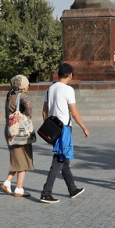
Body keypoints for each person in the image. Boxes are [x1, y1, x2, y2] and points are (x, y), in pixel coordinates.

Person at [40, 63, 89, 203]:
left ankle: (72, 189)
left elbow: (44, 111)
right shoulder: (68, 90)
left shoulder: (49, 89)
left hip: (53, 129)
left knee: (64, 159)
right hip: (65, 129)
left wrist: (48, 126)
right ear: (70, 75)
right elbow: (74, 112)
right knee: (58, 160)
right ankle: (46, 192)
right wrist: (84, 127)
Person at [1, 75, 34, 198]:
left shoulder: (10, 95)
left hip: (10, 130)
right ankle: (19, 189)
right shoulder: (22, 96)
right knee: (23, 159)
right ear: (23, 86)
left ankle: (7, 182)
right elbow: (29, 106)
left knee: (17, 158)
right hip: (20, 131)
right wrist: (27, 117)